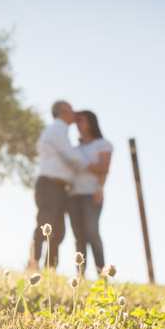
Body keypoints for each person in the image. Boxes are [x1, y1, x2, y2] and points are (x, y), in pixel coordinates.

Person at [29, 100, 92, 270]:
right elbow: (70, 156)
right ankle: (33, 263)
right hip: (49, 185)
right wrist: (91, 165)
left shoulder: (60, 132)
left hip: (58, 187)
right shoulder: (57, 129)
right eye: (71, 109)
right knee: (45, 224)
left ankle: (50, 268)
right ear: (64, 111)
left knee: (57, 230)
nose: (74, 113)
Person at [68, 110, 112, 276]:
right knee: (78, 236)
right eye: (76, 122)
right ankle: (80, 276)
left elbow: (104, 168)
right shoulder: (75, 148)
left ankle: (103, 274)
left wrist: (100, 189)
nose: (78, 125)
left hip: (91, 193)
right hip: (73, 195)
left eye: (81, 121)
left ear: (90, 122)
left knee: (91, 230)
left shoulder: (102, 144)